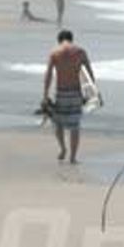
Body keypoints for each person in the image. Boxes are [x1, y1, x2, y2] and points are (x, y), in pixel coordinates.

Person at [42, 30, 96, 164]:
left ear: (59, 40)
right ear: (71, 39)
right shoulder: (80, 52)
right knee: (75, 126)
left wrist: (45, 94)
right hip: (76, 92)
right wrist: (91, 93)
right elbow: (89, 74)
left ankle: (62, 148)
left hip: (61, 92)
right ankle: (73, 157)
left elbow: (48, 75)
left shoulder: (55, 53)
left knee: (57, 122)